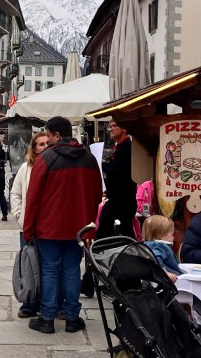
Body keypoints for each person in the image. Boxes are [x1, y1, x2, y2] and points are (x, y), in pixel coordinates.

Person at [23, 116, 101, 334]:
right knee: (72, 270)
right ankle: (72, 318)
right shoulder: (89, 158)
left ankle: (47, 318)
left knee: (49, 269)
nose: (47, 140)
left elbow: (33, 198)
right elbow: (97, 194)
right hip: (79, 228)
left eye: (48, 136)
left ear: (56, 135)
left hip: (50, 226)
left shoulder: (46, 158)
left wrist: (29, 229)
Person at [10, 131, 50, 318]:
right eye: (41, 144)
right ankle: (29, 303)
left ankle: (47, 303)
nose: (45, 147)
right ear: (34, 148)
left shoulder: (55, 166)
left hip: (48, 225)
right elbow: (15, 193)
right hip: (28, 225)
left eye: (47, 143)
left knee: (47, 266)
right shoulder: (26, 168)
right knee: (29, 265)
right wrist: (19, 215)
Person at [99, 119, 139, 238]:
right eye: (110, 126)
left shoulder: (126, 146)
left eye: (114, 126)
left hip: (122, 201)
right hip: (119, 200)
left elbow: (117, 172)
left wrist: (102, 166)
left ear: (124, 129)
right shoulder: (120, 146)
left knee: (114, 234)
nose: (110, 129)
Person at [143, 215, 183, 280]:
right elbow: (155, 257)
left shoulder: (146, 245)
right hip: (172, 279)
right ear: (161, 236)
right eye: (172, 234)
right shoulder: (160, 246)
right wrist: (165, 272)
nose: (173, 237)